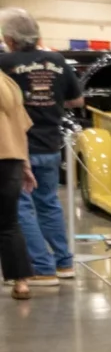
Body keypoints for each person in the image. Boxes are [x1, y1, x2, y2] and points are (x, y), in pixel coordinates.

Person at [0, 9, 81, 286]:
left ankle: (41, 267)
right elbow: (77, 100)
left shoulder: (4, 63)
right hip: (51, 144)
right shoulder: (57, 60)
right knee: (49, 203)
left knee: (20, 209)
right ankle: (64, 263)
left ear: (10, 39)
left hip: (19, 146)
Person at [0, 67, 32, 300]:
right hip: (11, 161)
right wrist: (26, 165)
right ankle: (21, 283)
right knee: (9, 223)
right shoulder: (9, 84)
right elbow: (22, 129)